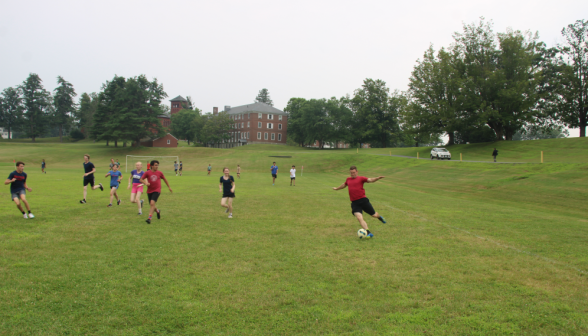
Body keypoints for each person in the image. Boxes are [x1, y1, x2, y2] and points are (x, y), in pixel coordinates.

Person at [332, 165, 387, 238]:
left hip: (363, 201)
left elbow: (370, 180)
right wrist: (337, 188)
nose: (352, 174)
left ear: (357, 172)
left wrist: (377, 178)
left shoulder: (361, 178)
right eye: (351, 173)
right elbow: (344, 185)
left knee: (374, 215)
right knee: (359, 218)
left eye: (354, 172)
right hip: (355, 203)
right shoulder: (348, 179)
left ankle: (380, 217)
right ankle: (368, 232)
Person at [141, 160, 172, 224]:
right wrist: (145, 183)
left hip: (157, 190)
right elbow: (141, 179)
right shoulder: (147, 173)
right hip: (149, 190)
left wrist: (169, 187)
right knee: (152, 205)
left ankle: (149, 218)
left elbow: (165, 179)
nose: (157, 166)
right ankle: (157, 211)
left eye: (157, 165)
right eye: (155, 165)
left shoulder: (159, 173)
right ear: (151, 166)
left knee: (152, 203)